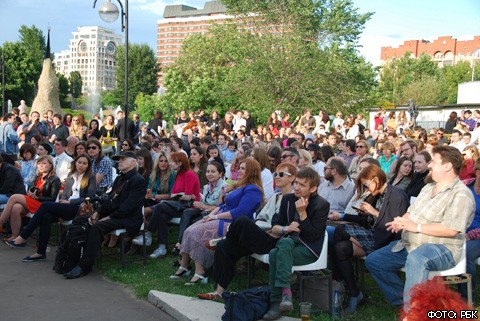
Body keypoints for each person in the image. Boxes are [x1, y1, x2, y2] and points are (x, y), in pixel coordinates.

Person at [365, 146, 474, 309]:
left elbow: (452, 230)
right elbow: (411, 212)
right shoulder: (428, 188)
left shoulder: (461, 194)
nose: (429, 165)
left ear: (448, 166)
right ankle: (408, 306)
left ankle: (412, 313)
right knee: (374, 261)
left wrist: (416, 227)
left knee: (418, 258)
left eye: (434, 161)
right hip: (411, 245)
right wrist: (401, 221)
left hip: (444, 248)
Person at [198, 163, 297, 300]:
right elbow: (261, 217)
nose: (277, 177)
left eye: (281, 174)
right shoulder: (276, 196)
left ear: (292, 179)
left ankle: (227, 237)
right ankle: (219, 292)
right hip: (261, 234)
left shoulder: (294, 199)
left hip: (274, 241)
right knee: (224, 247)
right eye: (276, 174)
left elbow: (286, 227)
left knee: (242, 220)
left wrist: (268, 229)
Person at [331, 165, 409, 313]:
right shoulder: (377, 194)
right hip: (374, 234)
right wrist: (364, 214)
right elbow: (367, 222)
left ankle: (340, 282)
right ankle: (353, 292)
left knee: (340, 230)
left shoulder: (396, 194)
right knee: (341, 248)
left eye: (367, 184)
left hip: (388, 240)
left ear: (377, 180)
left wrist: (373, 212)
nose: (366, 188)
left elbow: (393, 225)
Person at [173, 158, 263, 284]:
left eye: (243, 168)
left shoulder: (253, 190)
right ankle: (184, 265)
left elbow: (239, 212)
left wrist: (215, 217)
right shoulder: (238, 185)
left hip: (233, 223)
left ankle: (200, 273)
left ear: (252, 171)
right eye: (239, 168)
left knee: (197, 232)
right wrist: (211, 215)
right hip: (220, 215)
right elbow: (221, 205)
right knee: (188, 231)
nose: (239, 171)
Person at [63, 151, 147, 278]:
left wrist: (109, 217)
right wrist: (98, 212)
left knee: (97, 227)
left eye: (123, 159)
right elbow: (111, 200)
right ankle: (72, 259)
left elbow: (129, 206)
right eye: (119, 159)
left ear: (133, 162)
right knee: (83, 221)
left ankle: (84, 266)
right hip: (118, 214)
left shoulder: (138, 180)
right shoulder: (120, 178)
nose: (120, 162)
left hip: (129, 219)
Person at [261, 167, 329, 320]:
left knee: (274, 254)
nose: (297, 187)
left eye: (302, 185)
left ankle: (277, 300)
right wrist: (286, 228)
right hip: (288, 243)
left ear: (313, 188)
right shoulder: (288, 199)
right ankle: (284, 296)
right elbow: (275, 225)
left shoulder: (321, 204)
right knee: (283, 245)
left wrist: (303, 213)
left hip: (308, 249)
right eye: (296, 183)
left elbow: (313, 235)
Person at [7, 154, 96, 259]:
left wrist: (70, 202)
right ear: (75, 163)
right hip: (66, 207)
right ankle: (40, 252)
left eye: (84, 163)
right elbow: (66, 195)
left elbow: (89, 198)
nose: (81, 165)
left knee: (45, 206)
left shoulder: (90, 177)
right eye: (79, 162)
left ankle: (23, 236)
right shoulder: (71, 176)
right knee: (46, 217)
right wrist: (64, 203)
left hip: (79, 208)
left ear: (88, 165)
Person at [147, 152, 201, 258]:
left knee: (160, 206)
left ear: (180, 163)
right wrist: (178, 195)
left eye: (172, 161)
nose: (170, 164)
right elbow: (173, 194)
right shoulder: (178, 174)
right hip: (179, 204)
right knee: (162, 216)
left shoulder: (189, 174)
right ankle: (162, 248)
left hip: (189, 206)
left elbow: (189, 196)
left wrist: (179, 195)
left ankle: (148, 233)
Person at [169, 161, 229, 256]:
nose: (209, 174)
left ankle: (185, 250)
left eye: (213, 171)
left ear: (220, 174)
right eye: (208, 171)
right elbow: (204, 203)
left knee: (192, 221)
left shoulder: (224, 188)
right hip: (203, 211)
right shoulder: (207, 187)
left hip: (213, 215)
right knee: (187, 212)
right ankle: (180, 243)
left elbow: (221, 208)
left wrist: (202, 206)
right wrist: (199, 203)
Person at [1, 155, 60, 241]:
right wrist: (30, 193)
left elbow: (52, 199)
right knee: (15, 208)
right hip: (34, 201)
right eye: (39, 163)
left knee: (14, 197)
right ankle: (15, 236)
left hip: (44, 205)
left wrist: (37, 197)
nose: (41, 166)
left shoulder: (55, 179)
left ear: (50, 165)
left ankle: (1, 222)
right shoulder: (37, 177)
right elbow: (33, 189)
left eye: (44, 163)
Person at [459, 158, 480, 300]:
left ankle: (466, 300)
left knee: (465, 253)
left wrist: (470, 235)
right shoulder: (465, 186)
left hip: (477, 236)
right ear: (478, 173)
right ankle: (438, 294)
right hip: (459, 231)